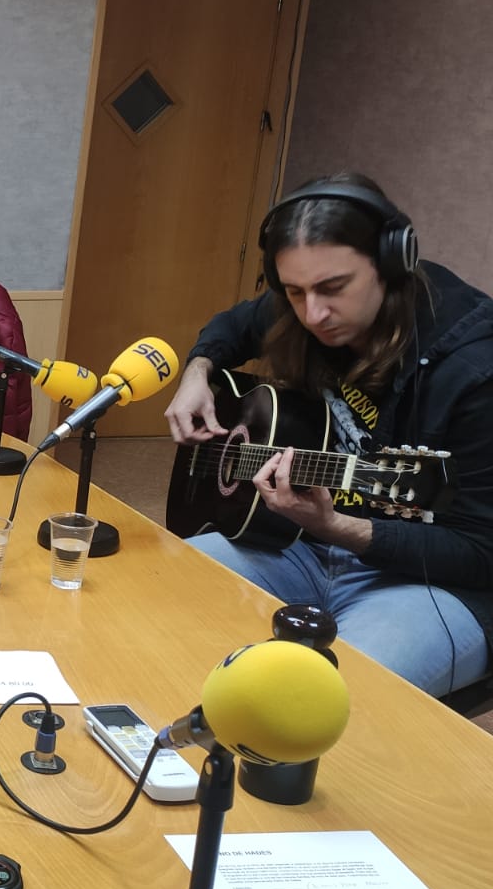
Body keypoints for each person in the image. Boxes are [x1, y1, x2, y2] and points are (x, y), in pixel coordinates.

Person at [163, 173, 493, 697]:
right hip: (299, 544)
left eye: (333, 289)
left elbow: (481, 552)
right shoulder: (307, 310)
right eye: (295, 291)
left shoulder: (476, 369)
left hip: (434, 585)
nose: (313, 313)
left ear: (391, 264)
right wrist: (197, 372)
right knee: (149, 592)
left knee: (316, 698)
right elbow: (234, 324)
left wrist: (339, 526)